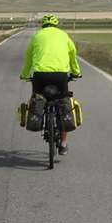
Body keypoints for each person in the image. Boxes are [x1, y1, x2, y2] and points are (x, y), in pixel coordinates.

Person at [20, 13, 81, 154]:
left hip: (40, 75)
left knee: (37, 98)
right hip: (60, 76)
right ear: (56, 25)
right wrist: (76, 72)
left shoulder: (37, 36)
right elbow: (73, 54)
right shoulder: (64, 35)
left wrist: (25, 75)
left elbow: (28, 57)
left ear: (43, 25)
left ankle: (37, 119)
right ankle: (64, 145)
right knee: (64, 105)